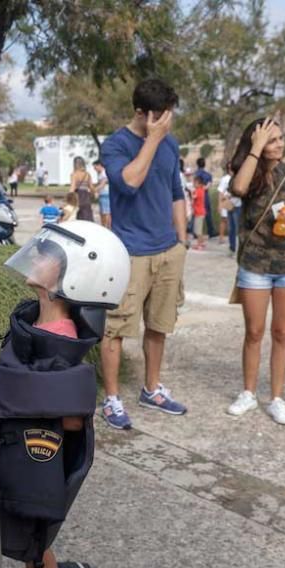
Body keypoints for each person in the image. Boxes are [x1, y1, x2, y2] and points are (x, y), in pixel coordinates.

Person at [0, 221, 126, 568]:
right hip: (24, 449)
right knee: (31, 539)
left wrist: (10, 395)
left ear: (75, 277)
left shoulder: (62, 342)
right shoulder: (38, 323)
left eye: (48, 255)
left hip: (41, 459)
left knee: (39, 543)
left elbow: (68, 416)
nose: (37, 256)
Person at [98, 78, 189, 430]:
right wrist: (151, 139)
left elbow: (175, 191)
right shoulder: (116, 144)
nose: (169, 121)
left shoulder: (171, 144)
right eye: (163, 115)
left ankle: (151, 389)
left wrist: (180, 241)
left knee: (159, 325)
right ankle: (112, 399)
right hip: (130, 252)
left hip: (168, 249)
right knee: (116, 328)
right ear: (142, 113)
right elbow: (129, 182)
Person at [226, 116, 285, 425]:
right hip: (255, 265)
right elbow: (237, 188)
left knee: (280, 333)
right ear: (258, 143)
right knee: (253, 332)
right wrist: (256, 148)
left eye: (280, 139)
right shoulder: (249, 173)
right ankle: (248, 393)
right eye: (272, 139)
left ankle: (277, 398)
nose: (279, 144)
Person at [218, 164, 242, 252]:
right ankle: (232, 247)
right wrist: (220, 204)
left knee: (238, 227)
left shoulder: (240, 178)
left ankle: (239, 247)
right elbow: (221, 192)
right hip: (229, 205)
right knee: (231, 227)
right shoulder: (226, 179)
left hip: (238, 205)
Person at [69, 156, 95, 220]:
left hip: (77, 196)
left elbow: (72, 187)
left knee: (78, 216)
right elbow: (91, 187)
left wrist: (68, 198)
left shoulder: (74, 174)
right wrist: (93, 195)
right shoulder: (87, 174)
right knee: (87, 216)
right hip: (86, 196)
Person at [196, 157, 215, 238]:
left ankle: (196, 233)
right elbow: (208, 186)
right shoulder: (208, 175)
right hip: (205, 195)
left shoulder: (195, 174)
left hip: (197, 195)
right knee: (208, 214)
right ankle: (211, 231)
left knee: (197, 214)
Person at [191, 174, 208, 250]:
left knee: (198, 231)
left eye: (195, 183)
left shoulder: (198, 191)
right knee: (199, 229)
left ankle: (199, 244)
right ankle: (201, 243)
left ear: (200, 184)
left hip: (199, 213)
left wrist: (190, 192)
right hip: (201, 212)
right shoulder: (202, 190)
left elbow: (193, 197)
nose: (194, 184)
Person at [93, 160, 111, 229]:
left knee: (107, 213)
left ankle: (108, 227)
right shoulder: (100, 173)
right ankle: (104, 226)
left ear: (99, 165)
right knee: (102, 212)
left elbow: (102, 184)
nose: (95, 169)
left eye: (95, 167)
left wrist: (93, 190)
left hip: (106, 194)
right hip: (102, 194)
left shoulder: (104, 173)